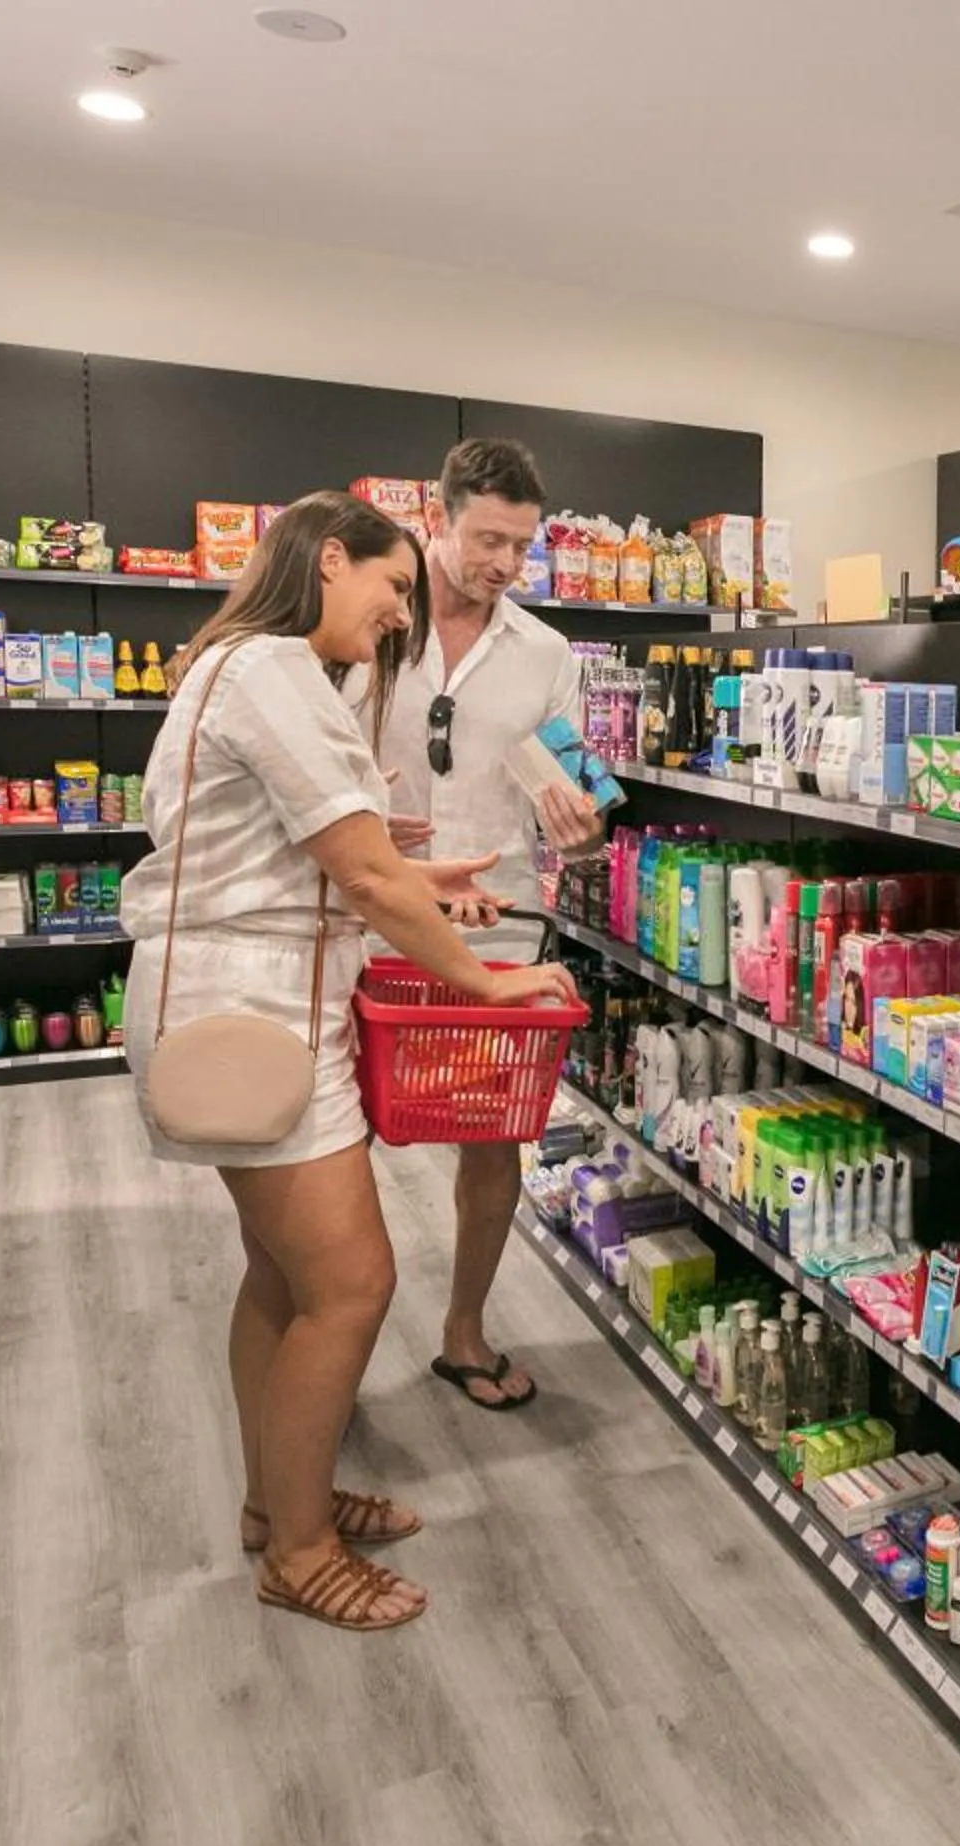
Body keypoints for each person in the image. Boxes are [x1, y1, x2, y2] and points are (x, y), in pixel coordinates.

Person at [120, 491, 582, 1633]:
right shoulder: (273, 669)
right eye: (391, 590)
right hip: (254, 1019)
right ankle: (302, 1549)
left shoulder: (241, 663)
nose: (395, 619)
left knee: (283, 1276)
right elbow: (361, 877)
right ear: (330, 559)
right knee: (355, 1280)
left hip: (260, 1007)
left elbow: (319, 861)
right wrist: (482, 976)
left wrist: (418, 877)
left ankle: (277, 1498)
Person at [360, 438, 605, 1415]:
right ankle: (331, 1333)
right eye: (487, 538)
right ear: (440, 517)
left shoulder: (546, 654)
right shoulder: (375, 621)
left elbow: (579, 806)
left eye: (521, 545)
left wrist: (584, 826)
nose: (505, 562)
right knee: (335, 1134)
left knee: (492, 1135)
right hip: (367, 912)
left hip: (498, 924)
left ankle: (464, 1330)